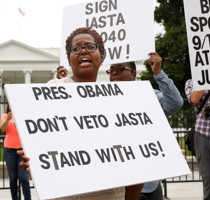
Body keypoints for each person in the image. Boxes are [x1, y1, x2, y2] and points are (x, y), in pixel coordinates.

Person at [18, 27, 142, 200]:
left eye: (90, 47)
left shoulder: (118, 98)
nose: (83, 51)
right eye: (76, 49)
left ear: (102, 56)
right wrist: (33, 156)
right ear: (69, 59)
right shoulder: (54, 89)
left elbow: (137, 166)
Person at [106, 53, 183, 200]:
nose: (114, 72)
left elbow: (175, 103)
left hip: (147, 184)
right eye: (111, 70)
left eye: (120, 68)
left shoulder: (150, 96)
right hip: (117, 182)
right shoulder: (102, 100)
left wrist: (159, 73)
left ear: (134, 73)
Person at [1, 103, 31, 200]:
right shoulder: (5, 115)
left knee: (24, 178)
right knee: (13, 177)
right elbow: (2, 129)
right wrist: (8, 119)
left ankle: (28, 198)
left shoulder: (24, 114)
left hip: (23, 151)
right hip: (9, 151)